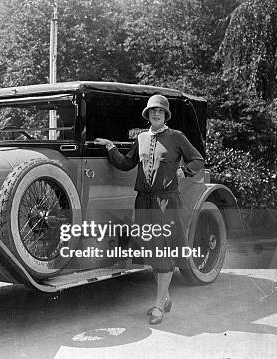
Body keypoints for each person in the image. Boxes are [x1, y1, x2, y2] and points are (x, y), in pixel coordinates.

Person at [92, 94, 204, 325]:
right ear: (147, 115)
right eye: (152, 111)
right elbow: (125, 163)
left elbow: (197, 160)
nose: (156, 114)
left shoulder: (176, 137)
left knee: (163, 250)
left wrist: (184, 170)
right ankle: (165, 296)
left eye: (160, 112)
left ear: (165, 115)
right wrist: (111, 147)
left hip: (165, 203)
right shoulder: (141, 138)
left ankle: (157, 305)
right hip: (143, 201)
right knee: (150, 250)